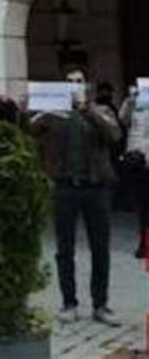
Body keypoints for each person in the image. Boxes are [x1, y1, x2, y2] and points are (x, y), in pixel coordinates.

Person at [27, 68, 121, 327]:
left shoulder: (101, 111)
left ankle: (101, 304)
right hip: (64, 187)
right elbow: (29, 129)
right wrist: (38, 108)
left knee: (100, 248)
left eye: (78, 82)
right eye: (68, 82)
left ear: (86, 86)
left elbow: (114, 135)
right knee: (64, 249)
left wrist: (87, 109)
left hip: (96, 188)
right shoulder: (54, 114)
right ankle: (69, 302)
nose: (74, 86)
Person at [119, 82, 149, 259]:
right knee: (141, 206)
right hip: (136, 160)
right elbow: (123, 120)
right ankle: (144, 243)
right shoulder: (135, 101)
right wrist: (131, 99)